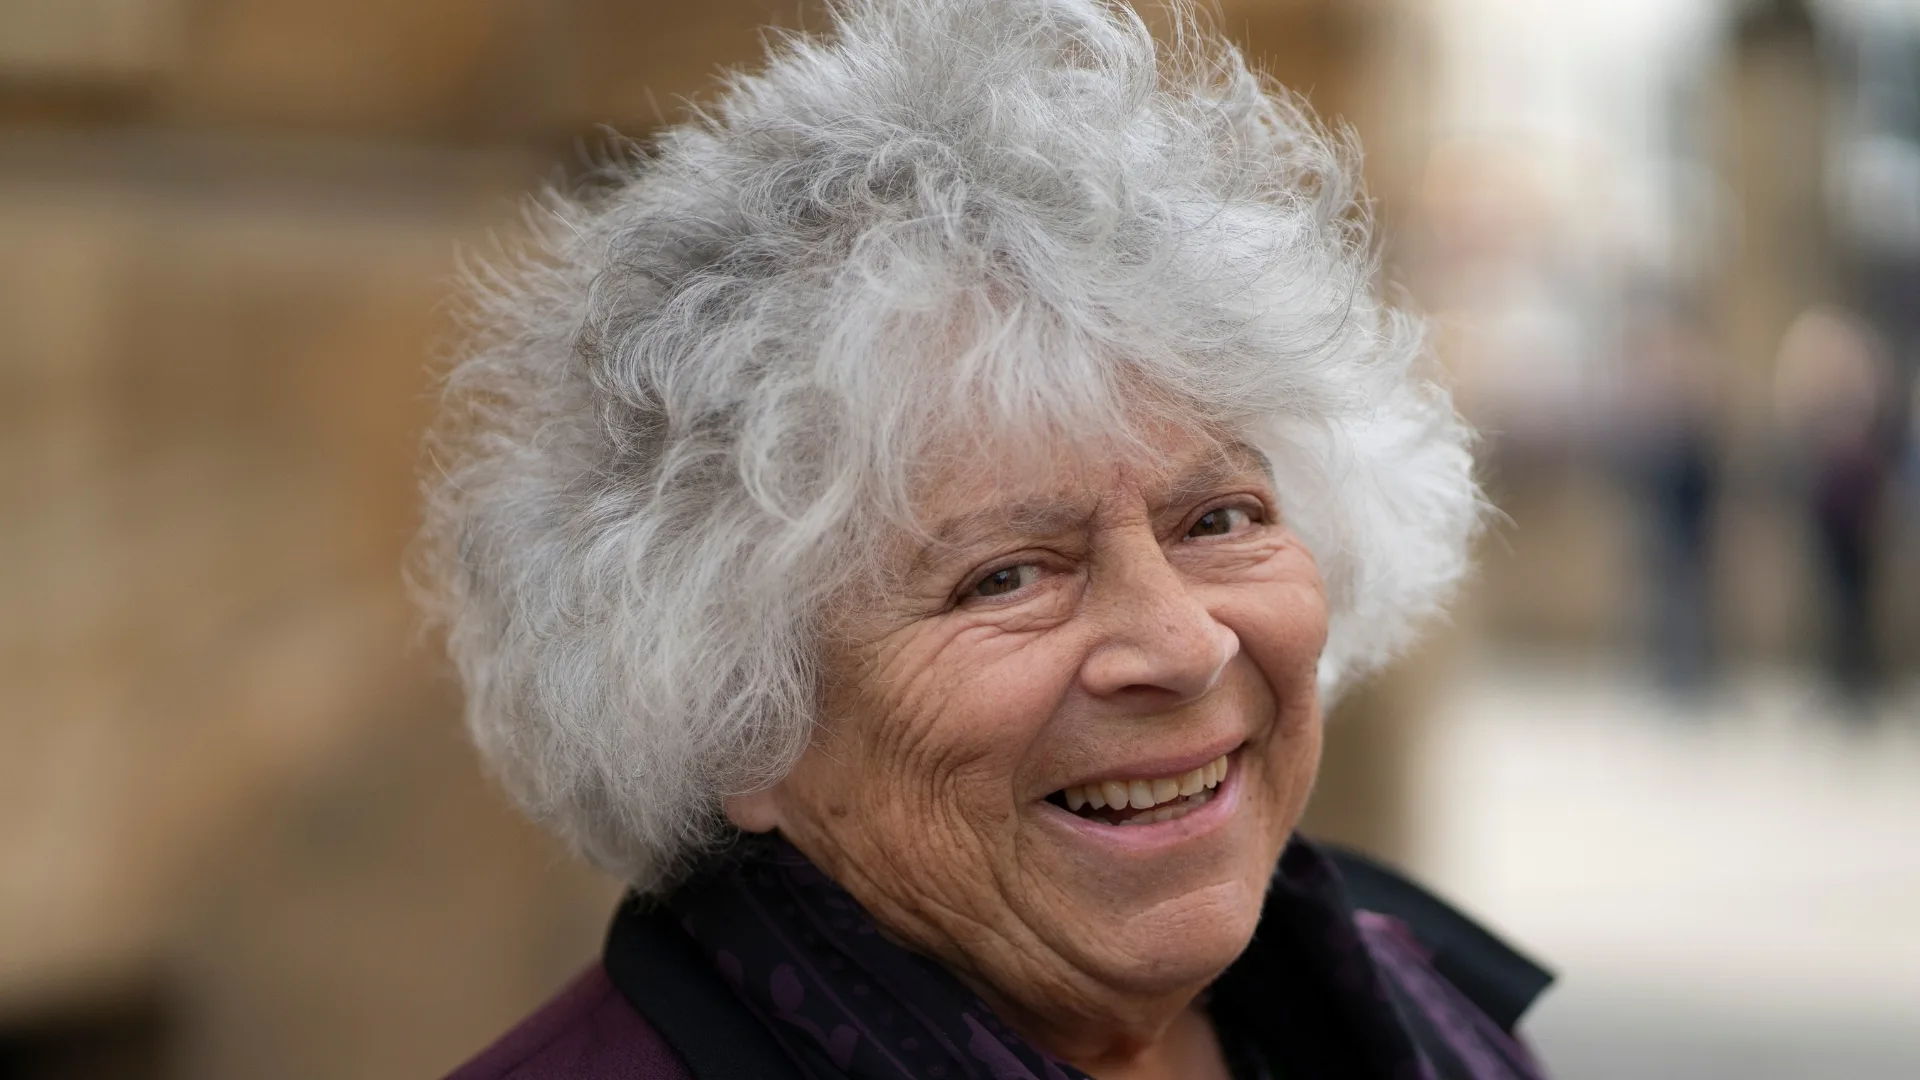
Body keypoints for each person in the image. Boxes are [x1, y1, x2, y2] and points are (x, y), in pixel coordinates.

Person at [418, 2, 1550, 1077]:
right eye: (1004, 578)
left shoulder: (1420, 1012)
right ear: (735, 721)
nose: (1182, 646)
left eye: (1219, 520)